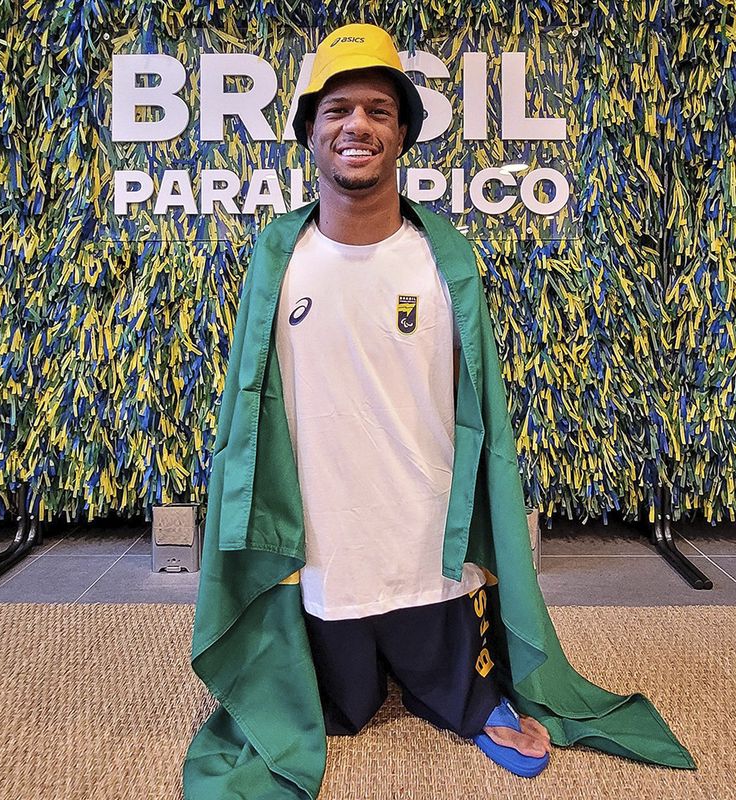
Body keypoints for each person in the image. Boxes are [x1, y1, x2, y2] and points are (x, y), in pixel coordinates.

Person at [185, 23, 691, 798]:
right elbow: (243, 419)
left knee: (457, 679)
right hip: (318, 544)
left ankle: (471, 691)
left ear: (403, 133)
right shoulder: (277, 258)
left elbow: (478, 413)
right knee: (330, 705)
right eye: (337, 109)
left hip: (426, 539)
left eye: (378, 111)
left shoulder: (447, 258)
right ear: (310, 133)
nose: (357, 125)